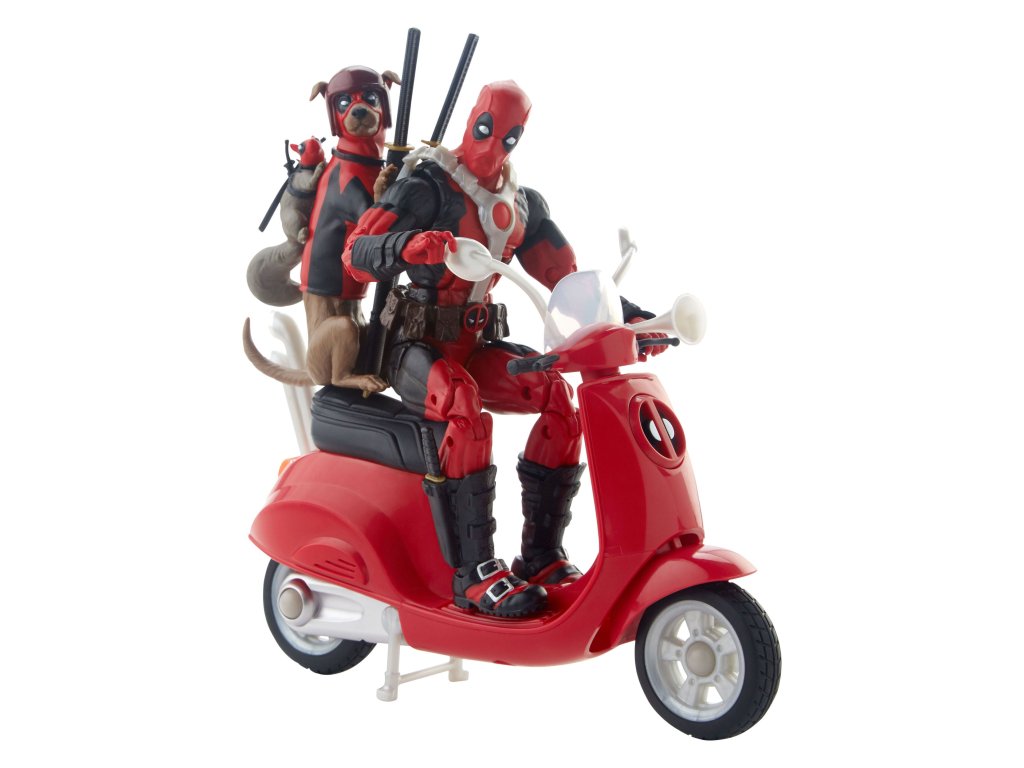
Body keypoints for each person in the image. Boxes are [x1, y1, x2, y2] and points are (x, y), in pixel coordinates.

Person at [343, 81, 661, 618]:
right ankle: (473, 573)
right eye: (484, 129)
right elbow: (356, 253)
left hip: (475, 345)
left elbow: (568, 281)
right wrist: (409, 246)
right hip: (414, 346)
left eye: (507, 137)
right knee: (463, 407)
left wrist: (630, 318)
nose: (491, 146)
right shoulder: (428, 185)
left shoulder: (521, 205)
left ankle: (539, 556)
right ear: (471, 119)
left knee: (557, 397)